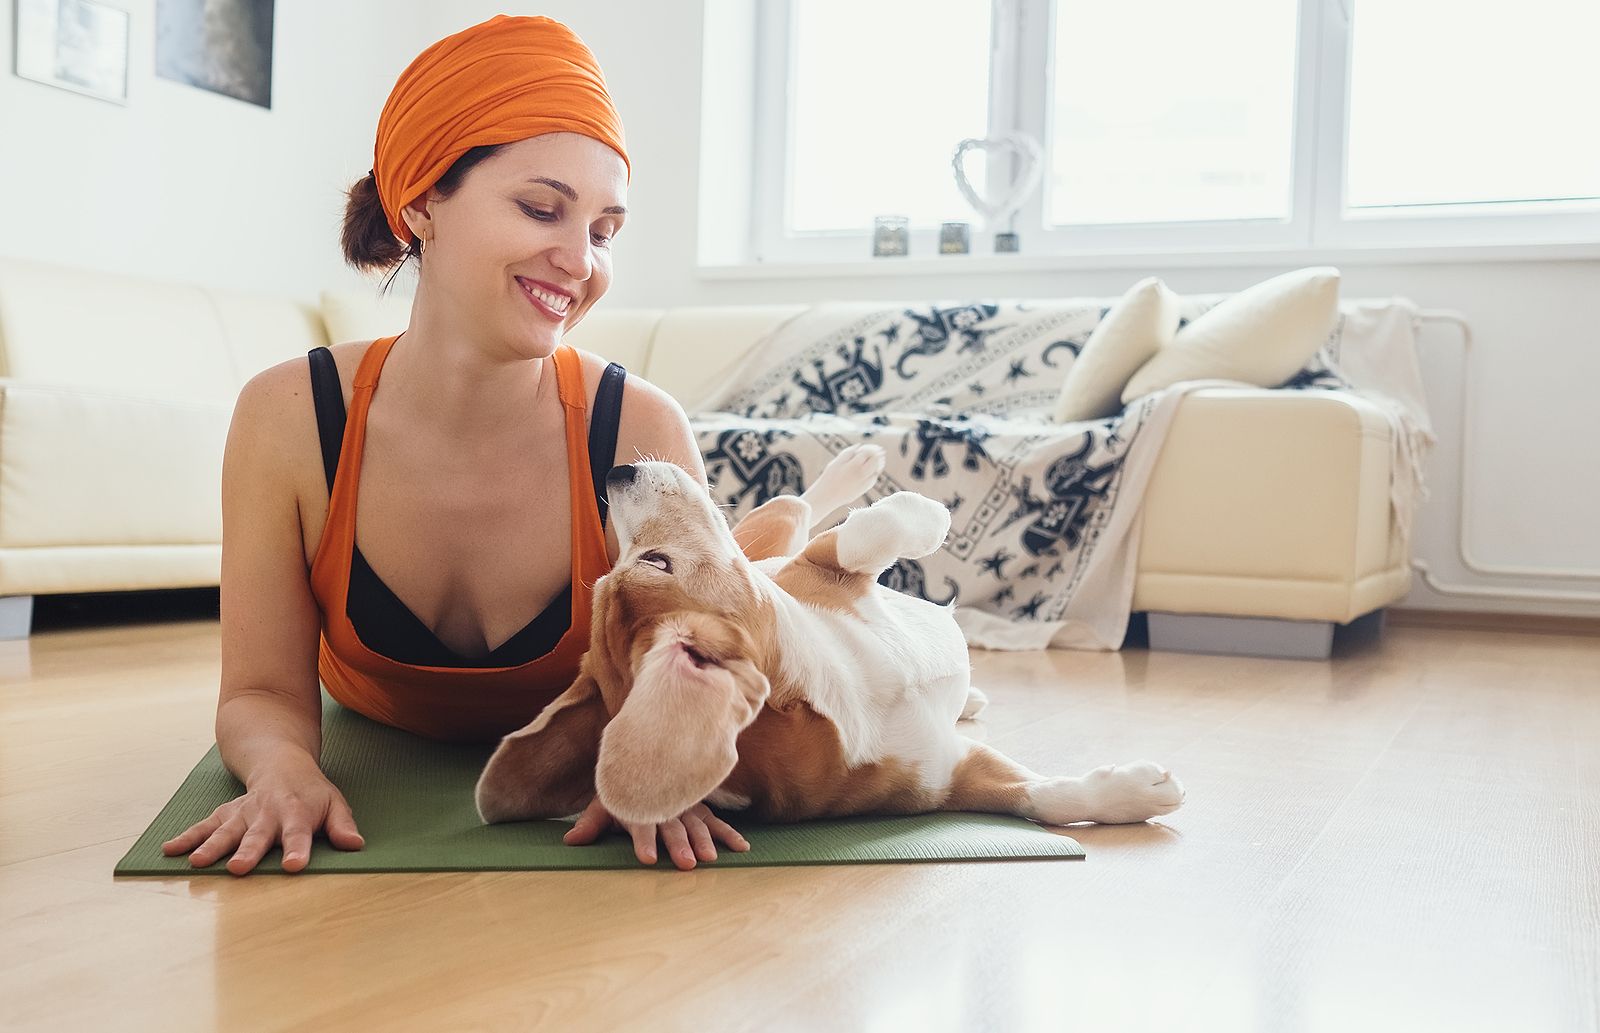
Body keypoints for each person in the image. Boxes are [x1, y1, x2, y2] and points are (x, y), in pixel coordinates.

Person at [159, 15, 874, 877]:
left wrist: (665, 758)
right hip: (376, 729)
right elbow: (264, 690)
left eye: (605, 230)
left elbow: (699, 659)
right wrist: (282, 767)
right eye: (541, 208)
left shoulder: (639, 432)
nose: (579, 259)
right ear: (421, 202)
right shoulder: (292, 417)